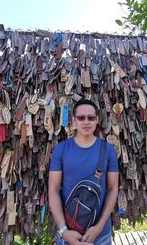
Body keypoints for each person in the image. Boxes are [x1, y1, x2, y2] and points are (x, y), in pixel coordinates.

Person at [48, 99, 119, 245]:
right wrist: (63, 231)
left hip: (100, 235)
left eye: (91, 118)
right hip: (68, 235)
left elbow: (113, 189)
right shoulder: (61, 150)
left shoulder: (108, 150)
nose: (86, 122)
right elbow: (53, 190)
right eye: (81, 118)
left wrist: (99, 228)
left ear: (97, 120)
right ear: (73, 120)